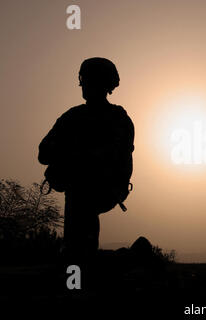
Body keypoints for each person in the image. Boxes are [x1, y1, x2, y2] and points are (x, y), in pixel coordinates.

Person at [38, 57, 134, 261]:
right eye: (85, 79)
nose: (85, 84)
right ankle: (83, 256)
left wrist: (77, 157)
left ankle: (81, 258)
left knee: (81, 197)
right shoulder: (72, 117)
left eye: (90, 80)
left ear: (105, 84)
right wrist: (71, 157)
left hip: (107, 187)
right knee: (78, 199)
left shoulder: (118, 118)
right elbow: (43, 153)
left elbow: (115, 159)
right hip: (77, 186)